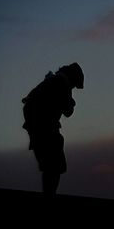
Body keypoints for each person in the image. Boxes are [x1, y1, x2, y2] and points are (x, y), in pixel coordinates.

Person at [21, 63, 84, 197]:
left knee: (52, 166)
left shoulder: (52, 82)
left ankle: (49, 194)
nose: (73, 88)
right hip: (45, 129)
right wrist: (71, 102)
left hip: (39, 129)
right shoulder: (60, 84)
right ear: (72, 78)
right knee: (54, 166)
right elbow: (68, 110)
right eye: (74, 85)